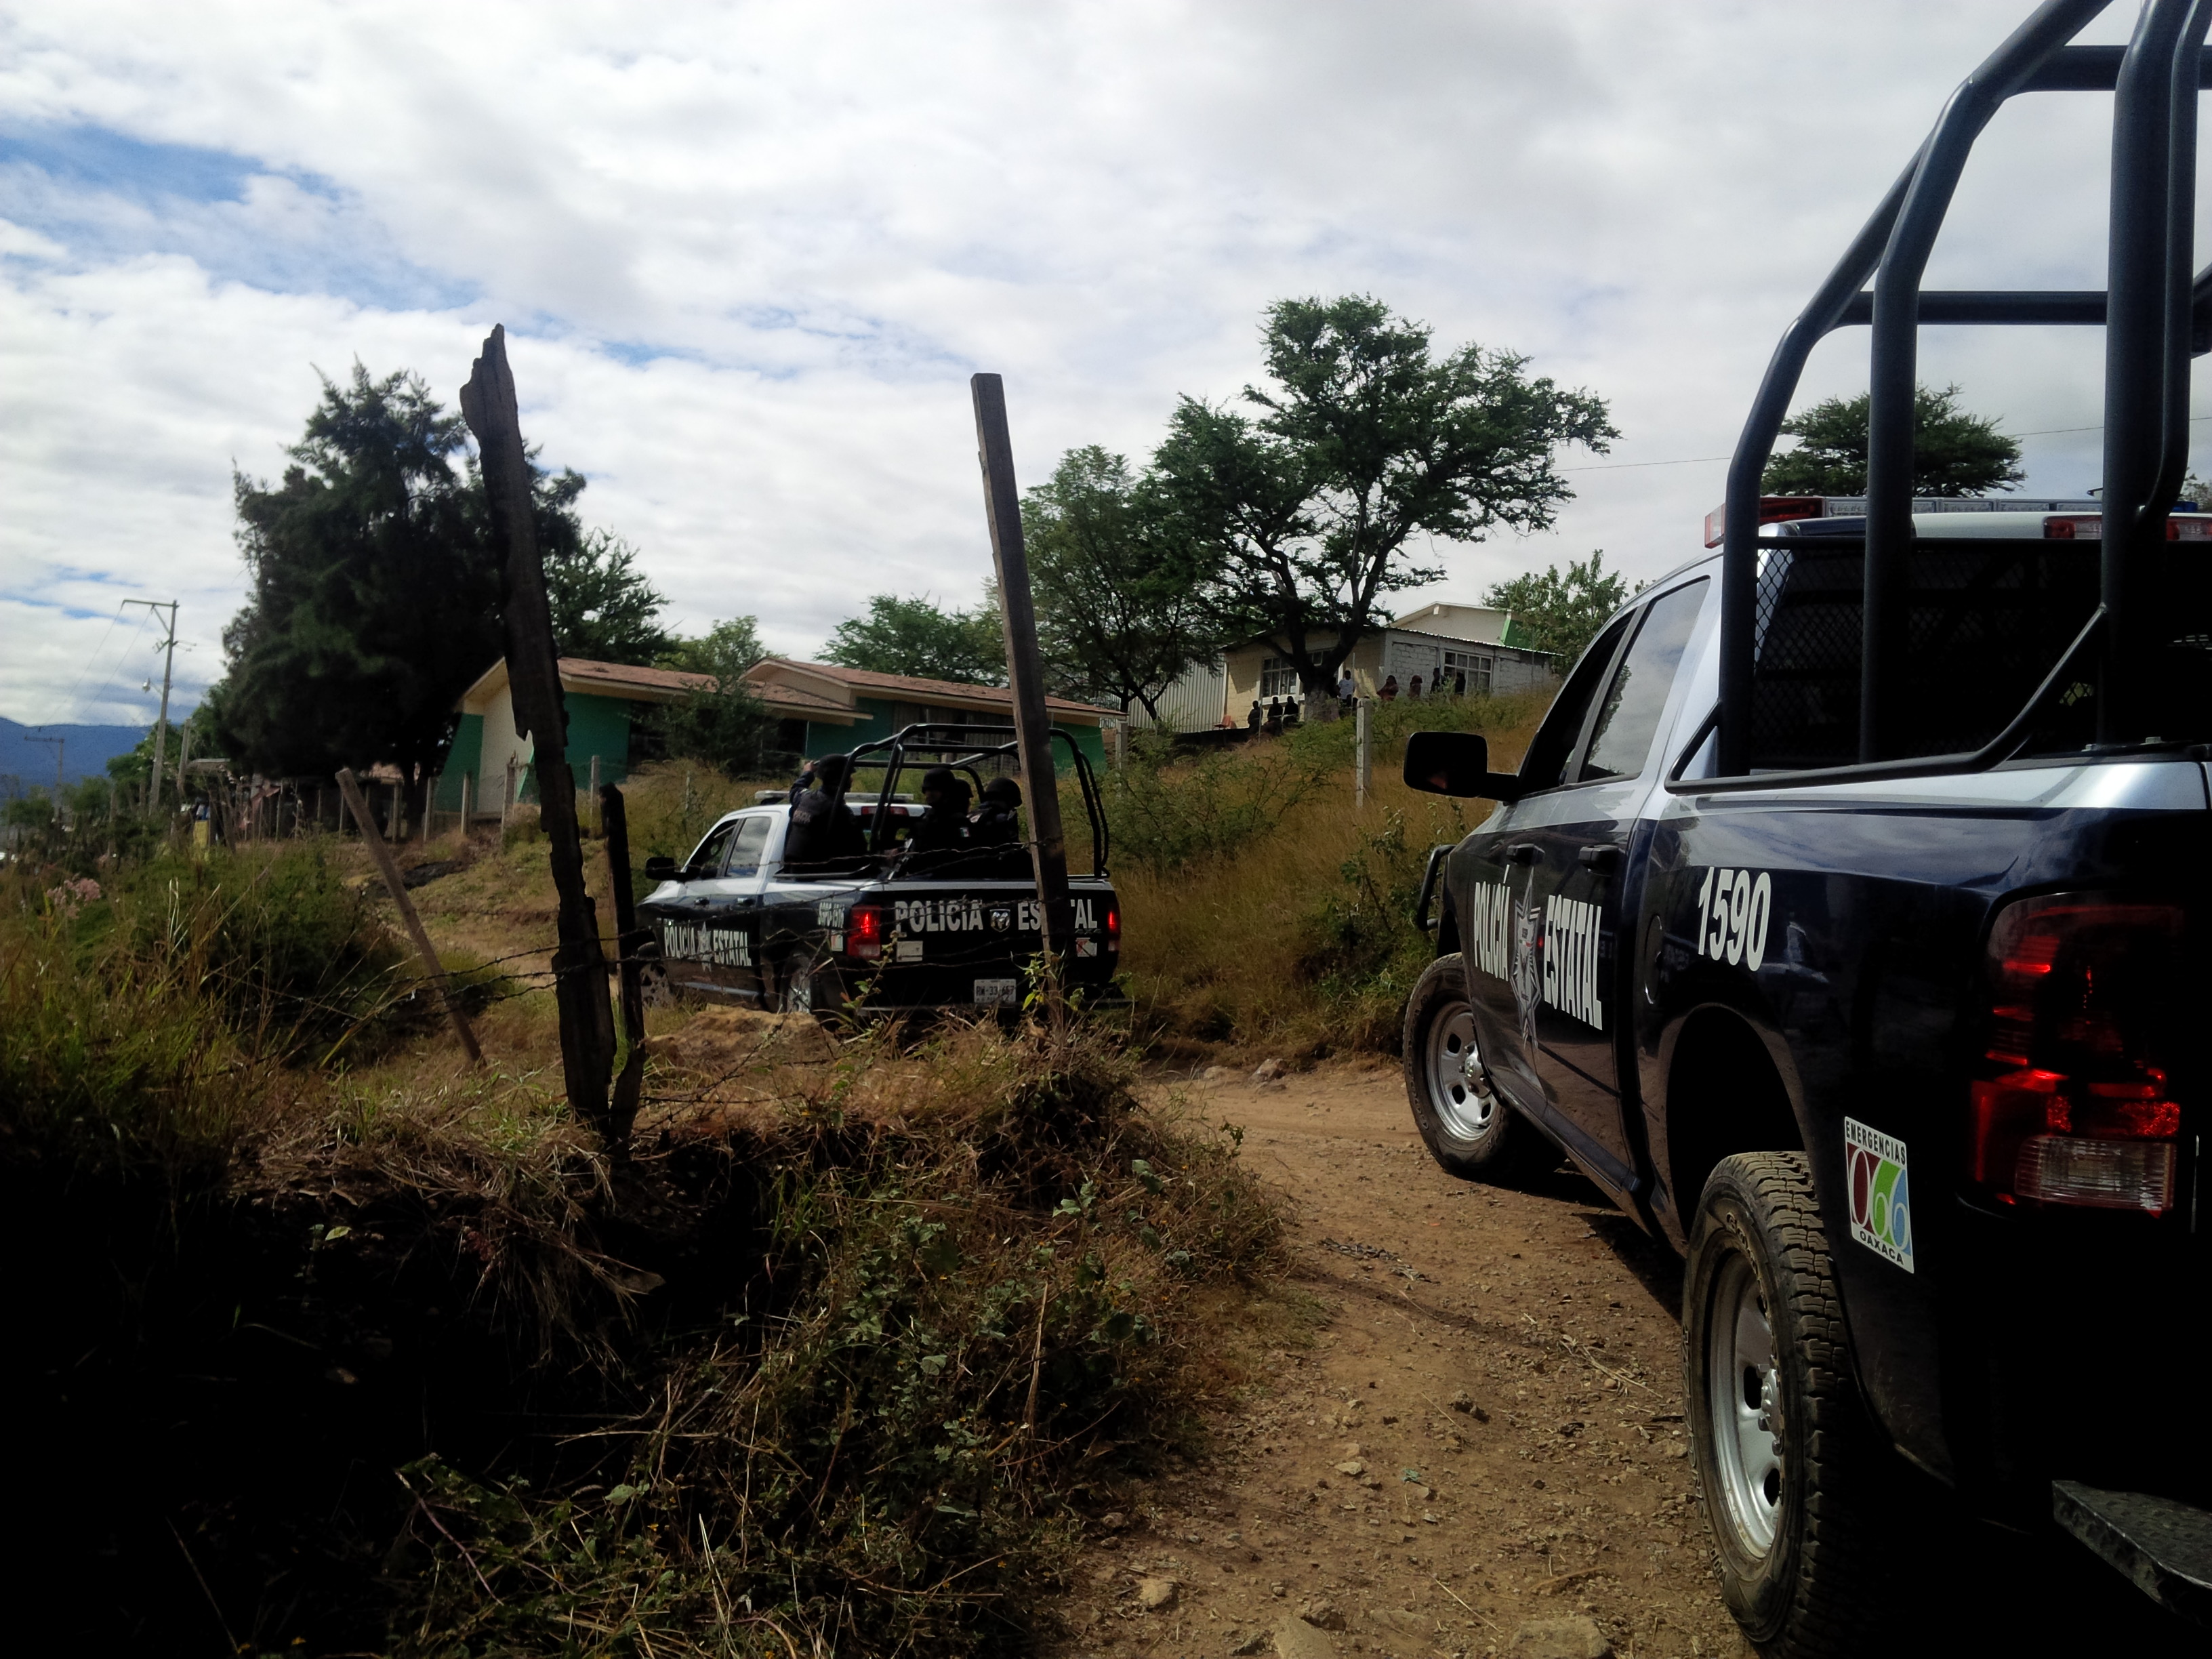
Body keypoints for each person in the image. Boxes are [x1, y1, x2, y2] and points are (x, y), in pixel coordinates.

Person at [783, 753, 868, 863]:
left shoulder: (806, 799)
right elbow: (859, 850)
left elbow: (795, 790)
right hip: (823, 873)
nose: (851, 780)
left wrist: (807, 773)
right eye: (848, 776)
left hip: (795, 871)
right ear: (839, 779)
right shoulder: (840, 812)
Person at [904, 766, 971, 855]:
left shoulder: (959, 821)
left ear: (947, 792)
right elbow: (912, 840)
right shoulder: (926, 817)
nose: (929, 794)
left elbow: (965, 847)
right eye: (927, 790)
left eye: (935, 790)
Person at [969, 775, 1023, 846]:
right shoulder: (1003, 819)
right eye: (1012, 804)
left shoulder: (972, 816)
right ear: (1008, 800)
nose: (1011, 808)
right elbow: (1014, 846)